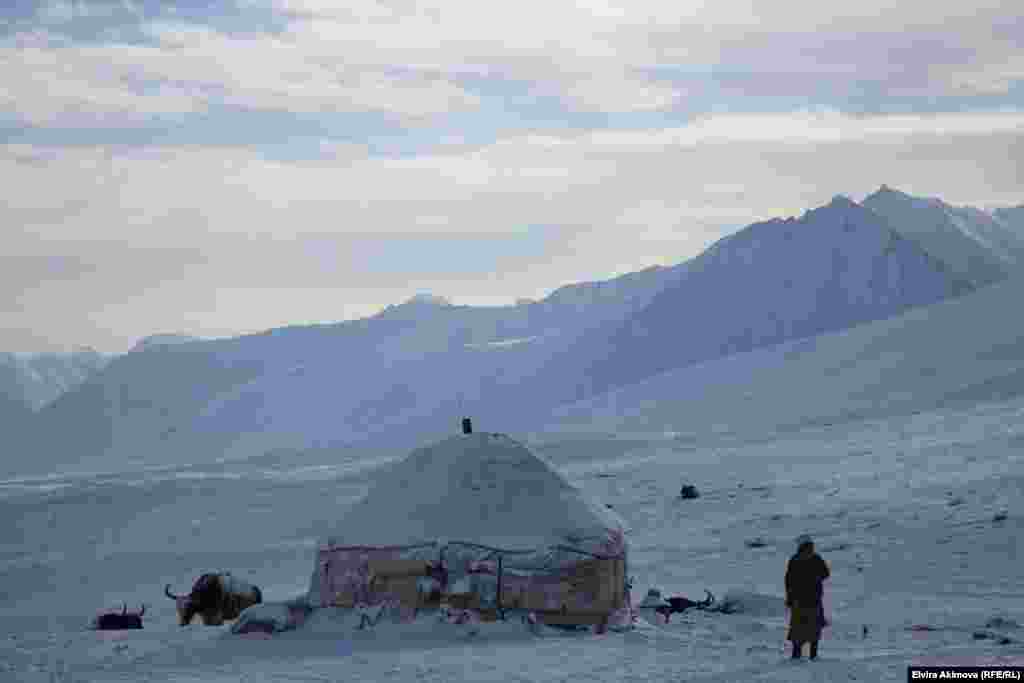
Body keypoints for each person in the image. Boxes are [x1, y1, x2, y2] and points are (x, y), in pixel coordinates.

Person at [785, 534, 830, 660]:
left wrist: (790, 599)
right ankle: (812, 656)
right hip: (811, 600)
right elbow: (826, 574)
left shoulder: (795, 560)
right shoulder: (814, 559)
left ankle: (797, 655)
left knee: (799, 629)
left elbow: (789, 582)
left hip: (801, 601)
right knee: (812, 629)